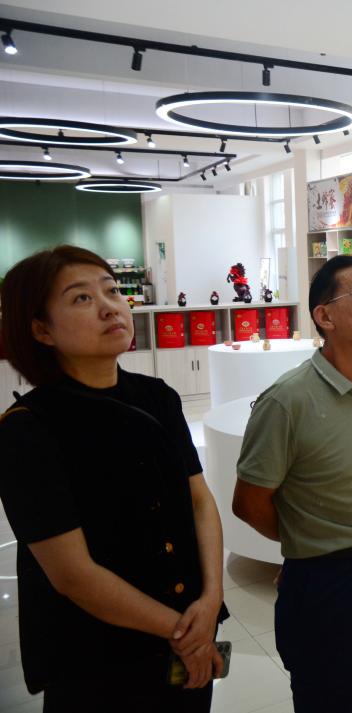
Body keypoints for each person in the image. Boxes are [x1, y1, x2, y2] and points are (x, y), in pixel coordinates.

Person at [0, 246, 228, 713]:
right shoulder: (27, 430)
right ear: (41, 330)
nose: (110, 307)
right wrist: (183, 632)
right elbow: (73, 575)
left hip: (191, 630)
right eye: (81, 298)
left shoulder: (158, 397)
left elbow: (199, 501)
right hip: (99, 658)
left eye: (112, 291)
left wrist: (211, 600)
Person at [233, 255, 352, 713]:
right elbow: (249, 502)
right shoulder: (286, 400)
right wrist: (308, 542)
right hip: (327, 582)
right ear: (324, 316)